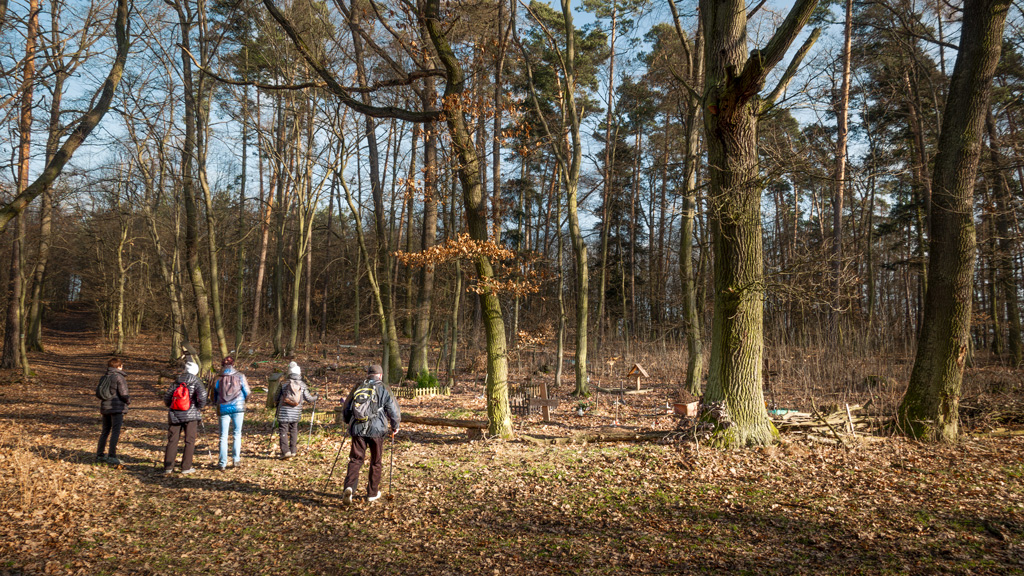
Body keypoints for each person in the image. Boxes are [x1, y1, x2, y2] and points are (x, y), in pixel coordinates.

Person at [341, 364, 400, 504]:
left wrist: (347, 420)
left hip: (357, 428)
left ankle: (349, 487)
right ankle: (372, 493)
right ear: (380, 375)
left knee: (355, 459)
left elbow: (347, 407)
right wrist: (395, 426)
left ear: (368, 374)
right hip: (377, 430)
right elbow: (393, 409)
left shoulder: (358, 387)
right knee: (376, 461)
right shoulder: (384, 388)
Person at [162, 359, 207, 474]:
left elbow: (167, 395)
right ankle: (186, 467)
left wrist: (170, 405)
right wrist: (198, 406)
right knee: (189, 441)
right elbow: (202, 395)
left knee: (172, 440)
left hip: (175, 413)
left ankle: (168, 466)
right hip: (191, 414)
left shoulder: (177, 380)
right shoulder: (197, 381)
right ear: (196, 371)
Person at [213, 356, 250, 471]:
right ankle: (236, 459)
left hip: (223, 408)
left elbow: (213, 394)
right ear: (233, 364)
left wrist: (216, 403)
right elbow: (247, 392)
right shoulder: (240, 376)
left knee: (223, 436)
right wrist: (243, 401)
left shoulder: (218, 378)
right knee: (237, 434)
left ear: (222, 365)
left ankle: (222, 463)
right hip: (238, 408)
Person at [275, 361, 316, 459]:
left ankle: (285, 451)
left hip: (283, 413)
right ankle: (293, 451)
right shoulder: (302, 385)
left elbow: (275, 397)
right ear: (299, 373)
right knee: (294, 430)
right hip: (296, 412)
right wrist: (316, 397)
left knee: (283, 431)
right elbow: (309, 399)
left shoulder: (283, 384)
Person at [96, 357, 130, 465]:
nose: (122, 367)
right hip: (117, 408)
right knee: (115, 431)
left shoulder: (104, 377)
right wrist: (128, 401)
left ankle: (100, 454)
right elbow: (124, 394)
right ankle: (112, 455)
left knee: (105, 431)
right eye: (121, 365)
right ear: (118, 366)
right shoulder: (119, 378)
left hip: (105, 407)